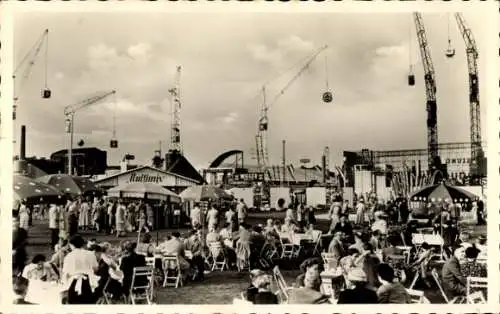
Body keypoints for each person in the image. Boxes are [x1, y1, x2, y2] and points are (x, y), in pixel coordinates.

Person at [62, 235, 99, 304]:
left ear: (71, 245)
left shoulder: (69, 256)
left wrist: (65, 283)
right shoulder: (90, 254)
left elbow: (66, 273)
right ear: (83, 244)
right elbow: (96, 268)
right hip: (88, 281)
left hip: (74, 281)